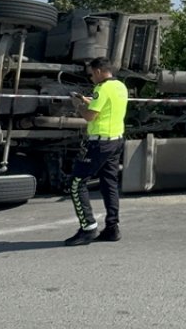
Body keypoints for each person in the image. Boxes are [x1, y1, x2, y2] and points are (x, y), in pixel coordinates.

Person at [64, 57, 128, 246]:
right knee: (109, 183)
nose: (91, 78)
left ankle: (88, 228)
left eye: (91, 74)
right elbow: (107, 106)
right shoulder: (119, 87)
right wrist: (88, 101)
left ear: (99, 71)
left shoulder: (102, 89)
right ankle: (112, 228)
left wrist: (79, 106)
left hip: (100, 144)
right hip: (116, 140)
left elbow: (91, 116)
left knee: (76, 183)